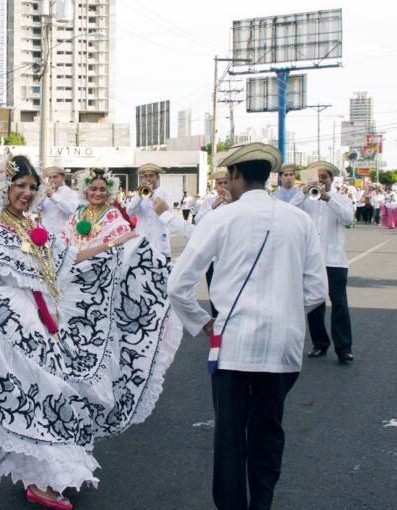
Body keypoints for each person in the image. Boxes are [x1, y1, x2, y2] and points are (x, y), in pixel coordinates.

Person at [0, 154, 182, 510]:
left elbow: (69, 257)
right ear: (4, 188)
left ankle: (45, 474)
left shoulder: (34, 225)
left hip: (46, 324)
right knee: (40, 398)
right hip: (16, 329)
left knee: (52, 399)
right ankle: (40, 480)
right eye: (20, 186)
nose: (27, 193)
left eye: (32, 187)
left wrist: (115, 245)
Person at [168, 142, 328, 510]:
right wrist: (287, 311)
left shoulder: (220, 219)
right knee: (268, 429)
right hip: (283, 346)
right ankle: (262, 504)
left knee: (230, 436)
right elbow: (317, 291)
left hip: (233, 344)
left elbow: (178, 285)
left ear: (236, 175)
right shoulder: (299, 220)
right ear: (268, 176)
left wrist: (203, 322)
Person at [291, 161, 355, 363]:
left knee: (339, 304)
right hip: (311, 261)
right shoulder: (306, 200)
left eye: (324, 178)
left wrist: (328, 199)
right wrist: (302, 192)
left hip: (335, 261)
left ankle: (344, 348)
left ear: (331, 180)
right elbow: (289, 212)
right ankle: (319, 344)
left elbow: (348, 219)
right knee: (314, 304)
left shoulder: (341, 199)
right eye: (317, 178)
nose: (320, 181)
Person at [59, 168, 132, 249]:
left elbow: (121, 245)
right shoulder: (78, 213)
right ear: (85, 191)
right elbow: (64, 239)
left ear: (108, 193)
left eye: (102, 190)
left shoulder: (113, 215)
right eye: (93, 189)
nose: (98, 193)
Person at [127, 163, 174, 261]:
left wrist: (152, 195)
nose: (148, 179)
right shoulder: (138, 195)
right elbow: (130, 212)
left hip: (159, 245)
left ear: (157, 178)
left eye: (151, 176)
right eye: (145, 176)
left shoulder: (166, 195)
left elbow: (167, 214)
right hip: (142, 245)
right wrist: (139, 196)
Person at [37, 166, 79, 237]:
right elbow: (35, 210)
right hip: (46, 236)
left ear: (63, 178)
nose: (52, 180)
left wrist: (53, 196)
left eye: (55, 177)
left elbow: (71, 210)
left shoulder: (71, 193)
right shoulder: (45, 191)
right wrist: (41, 198)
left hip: (63, 236)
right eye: (50, 177)